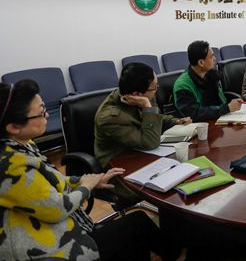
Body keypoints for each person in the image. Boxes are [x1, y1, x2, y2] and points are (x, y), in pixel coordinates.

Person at [0, 80, 177, 261]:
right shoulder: (11, 166)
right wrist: (86, 186)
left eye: (44, 107)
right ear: (13, 127)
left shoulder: (22, 144)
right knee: (138, 224)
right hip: (49, 249)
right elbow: (57, 209)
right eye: (40, 112)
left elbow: (50, 183)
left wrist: (86, 180)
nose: (46, 115)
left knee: (134, 235)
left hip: (57, 227)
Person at [95, 62, 191, 170]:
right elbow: (151, 143)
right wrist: (146, 105)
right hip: (118, 166)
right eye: (154, 88)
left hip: (143, 153)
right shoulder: (110, 117)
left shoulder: (142, 94)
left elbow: (154, 117)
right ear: (137, 94)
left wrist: (176, 121)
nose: (156, 90)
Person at [173, 40, 243, 122]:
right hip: (197, 125)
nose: (215, 59)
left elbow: (221, 101)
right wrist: (226, 109)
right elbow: (193, 114)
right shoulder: (183, 85)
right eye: (211, 57)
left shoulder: (211, 74)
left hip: (218, 119)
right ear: (201, 62)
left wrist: (232, 104)